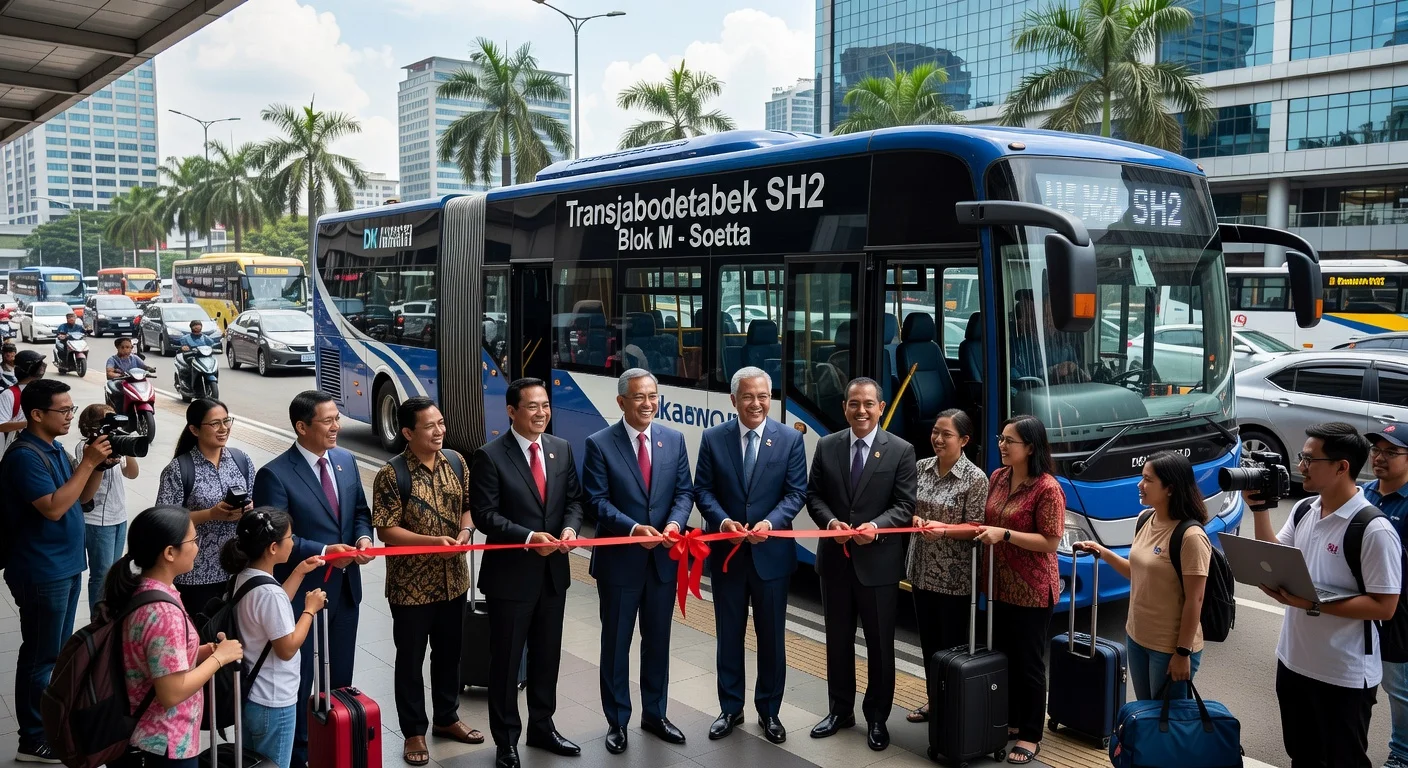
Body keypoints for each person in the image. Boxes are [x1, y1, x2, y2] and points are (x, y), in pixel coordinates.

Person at [1249, 422, 1400, 768]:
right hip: (1293, 661)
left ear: (1341, 467)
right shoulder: (1305, 509)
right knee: (1301, 756)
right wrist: (1259, 510)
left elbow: (1385, 606)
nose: (1300, 466)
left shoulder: (1373, 529)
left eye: (1309, 459)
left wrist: (1312, 603)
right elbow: (1275, 557)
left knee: (1342, 761)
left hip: (1343, 674)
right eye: (1302, 458)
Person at [253, 390, 374, 768]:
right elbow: (276, 537)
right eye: (328, 421)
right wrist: (326, 551)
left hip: (346, 587)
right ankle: (300, 754)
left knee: (340, 678)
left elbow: (360, 512)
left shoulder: (345, 460)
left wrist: (362, 539)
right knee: (301, 677)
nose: (337, 426)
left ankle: (338, 748)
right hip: (302, 591)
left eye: (337, 418)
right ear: (302, 427)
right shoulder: (275, 474)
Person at [470, 377, 585, 768]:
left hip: (553, 575)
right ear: (511, 411)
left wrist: (569, 530)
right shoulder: (490, 456)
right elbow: (485, 515)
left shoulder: (560, 449)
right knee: (506, 662)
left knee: (546, 657)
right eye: (532, 406)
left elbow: (574, 501)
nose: (541, 413)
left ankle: (542, 726)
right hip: (511, 577)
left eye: (545, 405)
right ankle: (506, 740)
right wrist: (529, 537)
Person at [583, 368, 695, 754]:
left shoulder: (673, 439)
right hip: (620, 563)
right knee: (616, 644)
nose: (648, 404)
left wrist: (675, 523)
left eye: (653, 396)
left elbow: (684, 492)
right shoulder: (600, 443)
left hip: (662, 562)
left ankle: (655, 714)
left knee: (658, 642)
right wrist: (633, 529)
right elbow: (596, 501)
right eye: (639, 397)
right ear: (621, 402)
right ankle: (617, 721)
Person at [0, 378, 111, 763]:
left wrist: (99, 467)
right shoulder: (24, 457)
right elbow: (52, 507)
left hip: (64, 565)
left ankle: (50, 725)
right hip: (40, 571)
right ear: (36, 414)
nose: (69, 416)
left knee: (57, 655)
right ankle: (31, 740)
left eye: (70, 409)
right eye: (62, 410)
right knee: (39, 656)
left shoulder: (55, 448)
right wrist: (89, 462)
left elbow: (80, 498)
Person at [695, 367, 806, 744]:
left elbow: (796, 493)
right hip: (728, 555)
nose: (756, 403)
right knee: (729, 636)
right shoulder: (713, 438)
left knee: (771, 638)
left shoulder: (790, 439)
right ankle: (730, 708)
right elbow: (702, 490)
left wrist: (770, 523)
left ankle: (769, 711)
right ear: (733, 400)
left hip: (770, 556)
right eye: (747, 396)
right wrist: (722, 521)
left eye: (763, 396)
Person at [806, 377, 917, 752]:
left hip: (878, 565)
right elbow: (814, 495)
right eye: (854, 403)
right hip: (835, 563)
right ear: (844, 408)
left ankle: (877, 718)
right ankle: (840, 711)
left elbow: (905, 505)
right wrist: (830, 524)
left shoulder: (900, 450)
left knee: (880, 647)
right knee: (837, 642)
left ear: (881, 408)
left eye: (869, 404)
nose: (861, 410)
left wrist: (877, 527)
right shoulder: (827, 445)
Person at [371, 397, 483, 766]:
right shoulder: (392, 474)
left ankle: (447, 718)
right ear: (407, 432)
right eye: (430, 426)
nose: (439, 431)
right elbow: (385, 529)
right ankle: (414, 731)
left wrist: (465, 532)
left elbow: (468, 507)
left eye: (441, 423)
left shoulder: (456, 461)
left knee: (450, 654)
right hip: (411, 588)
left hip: (454, 581)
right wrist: (434, 544)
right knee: (410, 659)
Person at [107, 505, 244, 768]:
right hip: (162, 742)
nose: (198, 547)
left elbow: (156, 656)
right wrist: (219, 659)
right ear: (169, 552)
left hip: (147, 733)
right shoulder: (163, 613)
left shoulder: (146, 588)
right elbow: (171, 693)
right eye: (193, 540)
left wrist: (203, 652)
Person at [1075, 451, 1211, 701]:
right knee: (1146, 712)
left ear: (1170, 488)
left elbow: (1196, 599)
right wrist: (1102, 552)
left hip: (1169, 647)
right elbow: (1136, 573)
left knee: (1165, 719)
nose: (1140, 484)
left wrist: (1182, 653)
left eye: (1148, 479)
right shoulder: (1145, 519)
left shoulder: (1191, 537)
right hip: (1137, 637)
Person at [974, 415, 1065, 765]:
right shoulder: (998, 477)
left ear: (1029, 447)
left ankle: (1030, 734)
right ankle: (1011, 720)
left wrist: (1006, 534)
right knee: (1003, 656)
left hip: (1031, 589)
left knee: (1028, 663)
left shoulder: (1047, 488)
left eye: (1009, 440)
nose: (1001, 445)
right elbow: (988, 523)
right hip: (998, 585)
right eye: (1001, 438)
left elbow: (1050, 542)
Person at [218, 508, 328, 768]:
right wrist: (309, 610)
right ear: (273, 548)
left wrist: (299, 571)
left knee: (251, 762)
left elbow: (271, 612)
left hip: (251, 695)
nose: (293, 542)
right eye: (289, 537)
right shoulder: (270, 593)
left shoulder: (245, 578)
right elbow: (286, 648)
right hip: (274, 700)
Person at [904, 408, 987, 724]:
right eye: (935, 432)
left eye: (946, 434)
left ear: (964, 440)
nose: (938, 439)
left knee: (951, 649)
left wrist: (944, 529)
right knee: (929, 645)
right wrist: (913, 518)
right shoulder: (921, 467)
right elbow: (906, 507)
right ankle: (934, 701)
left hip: (954, 578)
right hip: (920, 571)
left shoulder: (975, 478)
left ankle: (952, 708)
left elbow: (977, 527)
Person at [155, 398, 256, 616]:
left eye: (226, 421)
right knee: (203, 632)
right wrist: (210, 514)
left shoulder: (241, 460)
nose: (224, 428)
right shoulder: (178, 469)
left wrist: (248, 510)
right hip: (196, 574)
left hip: (238, 569)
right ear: (194, 429)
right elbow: (164, 522)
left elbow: (255, 502)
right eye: (215, 424)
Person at [1363, 426, 1408, 768]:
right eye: (1376, 450)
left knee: (1398, 686)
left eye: (1391, 452)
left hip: (1399, 609)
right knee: (1360, 678)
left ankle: (1402, 754)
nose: (1379, 458)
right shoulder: (1363, 493)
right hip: (1361, 602)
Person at [75, 403, 140, 613]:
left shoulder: (114, 445)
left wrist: (127, 447)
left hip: (118, 516)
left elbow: (132, 474)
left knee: (113, 573)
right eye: (109, 421)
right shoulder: (87, 448)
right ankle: (98, 620)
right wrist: (102, 461)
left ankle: (110, 616)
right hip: (97, 521)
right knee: (101, 575)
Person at [0, 350, 46, 452]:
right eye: (39, 364)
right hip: (14, 450)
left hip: (39, 447)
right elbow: (1, 425)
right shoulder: (9, 395)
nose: (43, 367)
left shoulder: (43, 391)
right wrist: (31, 423)